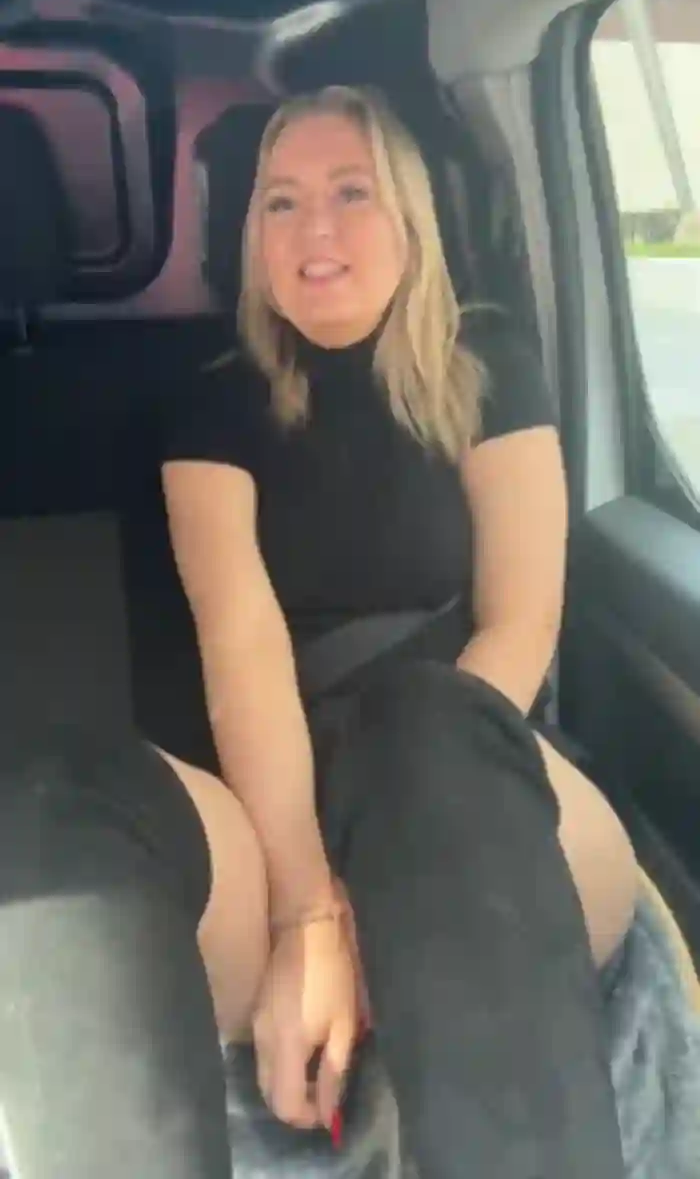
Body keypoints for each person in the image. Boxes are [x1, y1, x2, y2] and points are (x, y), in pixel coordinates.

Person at [0, 84, 638, 1179]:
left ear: (411, 215)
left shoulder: (490, 366)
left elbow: (523, 618)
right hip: (272, 815)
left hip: (477, 810)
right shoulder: (213, 406)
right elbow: (243, 654)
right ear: (252, 234)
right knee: (61, 786)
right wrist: (308, 912)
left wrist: (390, 862)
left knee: (426, 718)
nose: (316, 230)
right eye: (281, 202)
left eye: (352, 192)